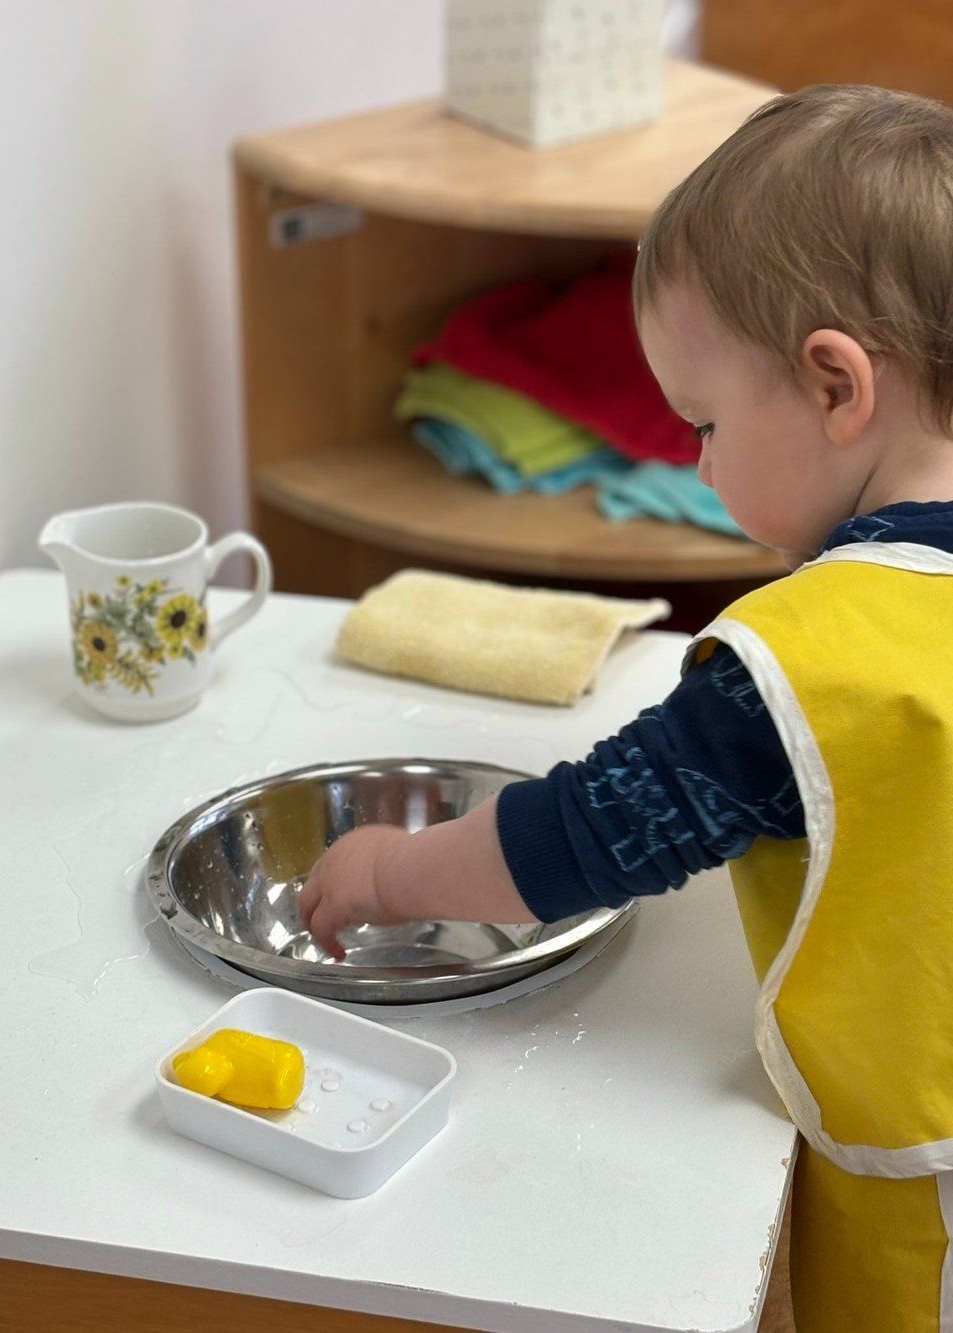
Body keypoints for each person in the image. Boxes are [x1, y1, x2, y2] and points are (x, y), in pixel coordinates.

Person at [299, 84, 953, 1333]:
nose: (696, 464)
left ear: (833, 387)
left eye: (703, 423)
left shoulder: (812, 660)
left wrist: (389, 873)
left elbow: (578, 840)